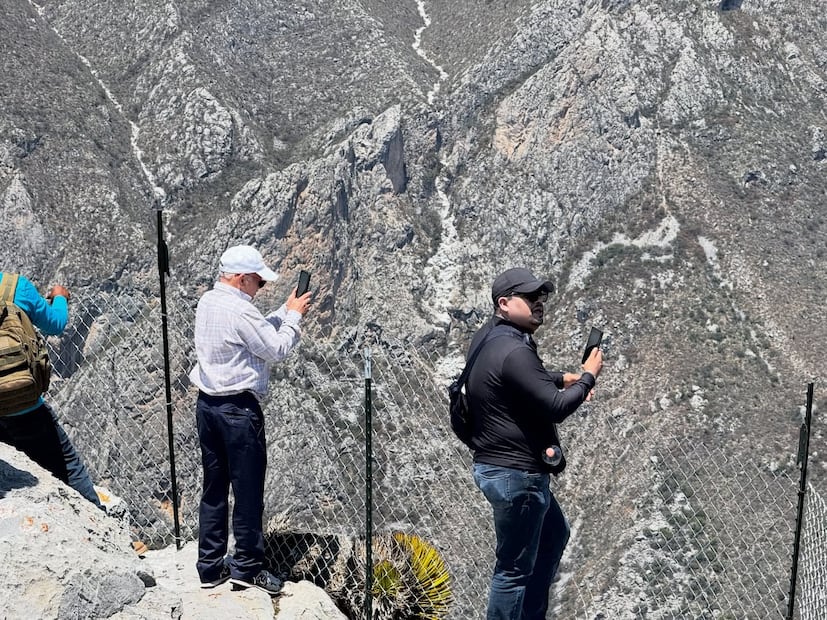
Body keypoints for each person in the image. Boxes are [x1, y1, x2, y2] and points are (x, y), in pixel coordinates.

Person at [466, 267, 603, 620]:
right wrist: (588, 377)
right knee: (512, 571)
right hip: (518, 476)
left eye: (540, 297)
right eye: (530, 297)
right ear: (504, 303)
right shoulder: (515, 350)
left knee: (554, 532)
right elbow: (556, 407)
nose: (539, 303)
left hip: (496, 466)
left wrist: (560, 377)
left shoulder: (491, 338)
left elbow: (514, 378)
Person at [189, 245, 311, 595]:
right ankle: (247, 567)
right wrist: (295, 317)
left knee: (214, 488)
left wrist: (284, 310)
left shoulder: (209, 301)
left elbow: (253, 332)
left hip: (207, 406)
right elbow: (276, 349)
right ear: (243, 279)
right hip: (238, 412)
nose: (260, 286)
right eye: (257, 281)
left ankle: (210, 566)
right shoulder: (241, 312)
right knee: (247, 491)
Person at [0, 272, 103, 510]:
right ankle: (104, 525)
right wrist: (60, 298)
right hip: (25, 404)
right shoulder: (15, 287)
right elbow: (55, 325)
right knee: (68, 465)